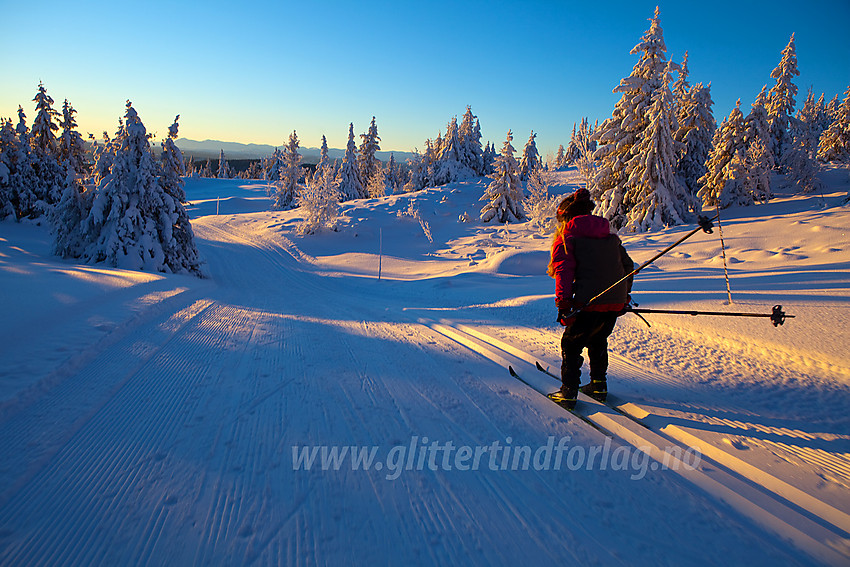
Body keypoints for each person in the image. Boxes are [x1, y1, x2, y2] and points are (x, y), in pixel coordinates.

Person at [547, 188, 634, 408]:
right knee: (597, 339)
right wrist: (624, 296)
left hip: (587, 304)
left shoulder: (567, 239)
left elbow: (564, 272)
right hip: (614, 302)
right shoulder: (610, 236)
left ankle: (568, 392)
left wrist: (564, 304)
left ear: (566, 217)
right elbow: (628, 267)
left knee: (571, 343)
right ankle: (598, 385)